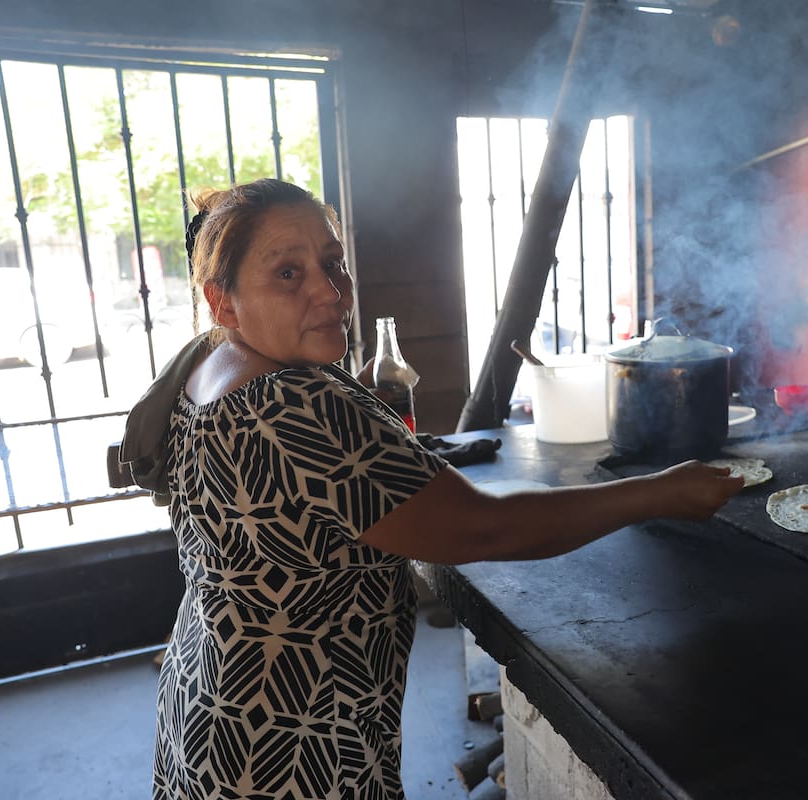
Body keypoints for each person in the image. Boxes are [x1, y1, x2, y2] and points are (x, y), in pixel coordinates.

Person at [127, 178, 745, 800]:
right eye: (288, 274)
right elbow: (483, 527)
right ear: (223, 301)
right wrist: (660, 491)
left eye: (332, 263)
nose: (330, 291)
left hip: (208, 709)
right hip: (293, 748)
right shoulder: (297, 402)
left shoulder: (210, 367)